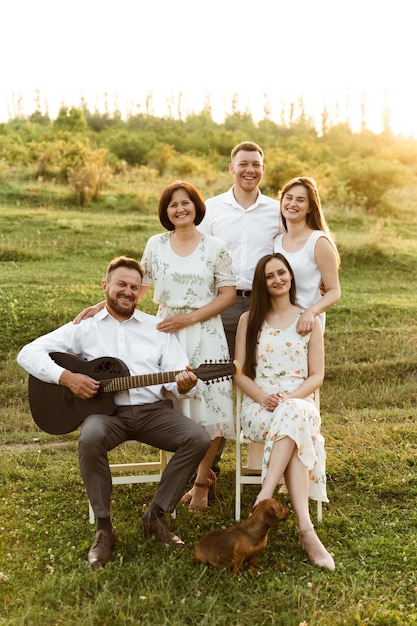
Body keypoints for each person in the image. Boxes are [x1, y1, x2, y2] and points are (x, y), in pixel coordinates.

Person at [17, 256, 211, 568]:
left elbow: (177, 380)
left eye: (134, 287)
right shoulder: (85, 328)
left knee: (198, 439)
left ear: (140, 293)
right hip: (106, 415)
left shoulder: (157, 328)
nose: (128, 291)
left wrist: (186, 384)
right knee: (90, 437)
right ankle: (104, 528)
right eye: (121, 284)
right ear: (106, 286)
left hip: (152, 411)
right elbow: (28, 353)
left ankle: (155, 517)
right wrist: (67, 378)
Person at [74, 182, 236, 512]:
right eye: (172, 204)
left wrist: (188, 319)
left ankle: (202, 483)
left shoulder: (215, 246)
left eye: (186, 203)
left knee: (210, 410)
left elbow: (227, 296)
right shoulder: (156, 245)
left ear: (196, 207)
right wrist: (99, 306)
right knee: (171, 407)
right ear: (165, 211)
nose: (180, 209)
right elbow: (135, 288)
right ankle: (177, 479)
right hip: (164, 331)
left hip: (204, 332)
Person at [234, 253, 335, 570]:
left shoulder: (308, 320)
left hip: (299, 401)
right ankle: (306, 530)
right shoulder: (248, 320)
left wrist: (290, 397)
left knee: (294, 414)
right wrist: (264, 398)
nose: (277, 279)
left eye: (282, 273)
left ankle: (265, 496)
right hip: (259, 407)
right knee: (294, 427)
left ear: (291, 276)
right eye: (270, 276)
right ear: (261, 283)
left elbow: (316, 376)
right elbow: (239, 373)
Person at [198, 140, 282, 358]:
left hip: (264, 301)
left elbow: (293, 249)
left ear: (263, 169)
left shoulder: (277, 210)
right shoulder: (211, 208)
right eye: (243, 164)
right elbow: (199, 254)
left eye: (256, 164)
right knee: (220, 368)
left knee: (260, 366)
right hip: (222, 301)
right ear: (232, 168)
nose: (250, 170)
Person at [273, 176, 341, 335]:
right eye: (288, 198)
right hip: (277, 321)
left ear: (310, 207)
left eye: (300, 200)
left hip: (305, 324)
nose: (292, 204)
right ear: (281, 201)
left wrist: (311, 312)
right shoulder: (276, 241)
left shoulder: (318, 241)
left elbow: (334, 291)